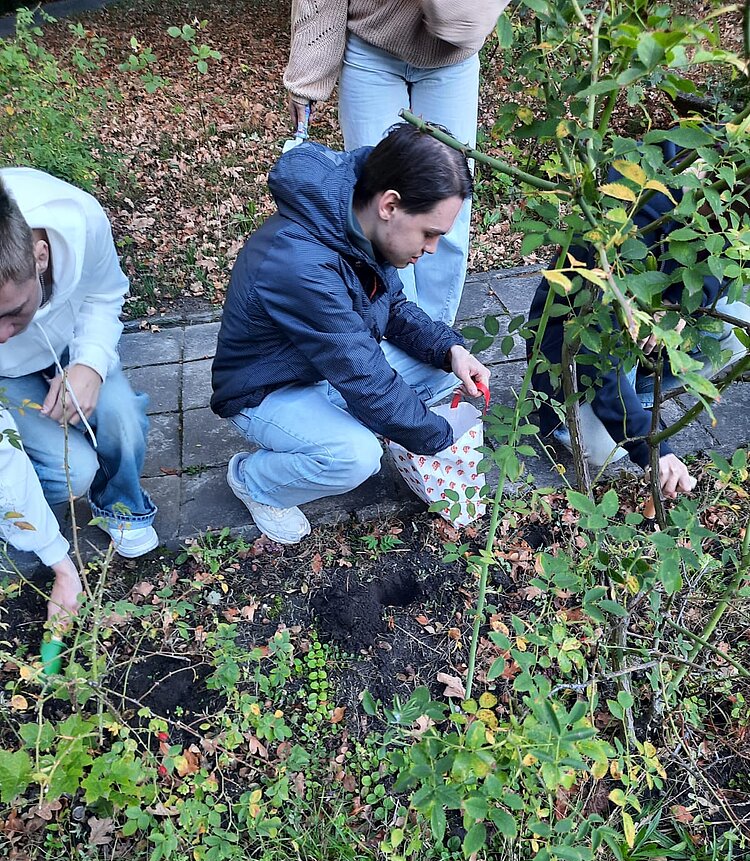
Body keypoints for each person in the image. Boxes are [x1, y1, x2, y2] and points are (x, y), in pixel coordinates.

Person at [211, 123, 490, 544]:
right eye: (429, 233)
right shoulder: (301, 263)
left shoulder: (356, 221)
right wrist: (436, 436)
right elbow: (363, 375)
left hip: (323, 365)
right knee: (353, 456)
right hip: (266, 388)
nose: (431, 248)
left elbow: (392, 308)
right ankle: (255, 482)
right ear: (390, 205)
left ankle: (360, 423)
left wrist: (449, 348)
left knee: (449, 373)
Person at [528, 144, 748, 499]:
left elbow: (716, 269)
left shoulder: (722, 215)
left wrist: (678, 306)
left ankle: (642, 392)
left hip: (633, 344)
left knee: (739, 322)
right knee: (601, 450)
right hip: (576, 358)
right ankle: (590, 418)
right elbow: (595, 355)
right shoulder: (624, 221)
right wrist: (652, 446)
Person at [283, 0, 508, 325]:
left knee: (445, 221)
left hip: (452, 56)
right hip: (372, 45)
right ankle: (394, 344)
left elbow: (459, 20)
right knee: (377, 211)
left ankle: (436, 349)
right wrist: (307, 75)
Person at [0, 168, 158, 623]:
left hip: (71, 342)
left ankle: (122, 508)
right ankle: (18, 515)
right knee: (73, 473)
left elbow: (106, 295)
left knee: (122, 419)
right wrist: (60, 562)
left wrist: (88, 364)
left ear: (41, 257)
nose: (3, 336)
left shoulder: (81, 218)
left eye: (11, 313)